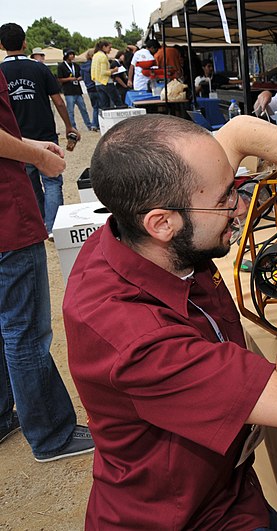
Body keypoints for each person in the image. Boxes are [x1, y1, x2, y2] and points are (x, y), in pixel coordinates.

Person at [63, 113, 277, 528]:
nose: (241, 208)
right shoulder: (134, 338)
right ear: (162, 224)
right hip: (188, 517)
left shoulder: (144, 225)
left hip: (229, 485)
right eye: (227, 198)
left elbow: (240, 130)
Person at [0, 66, 95, 462]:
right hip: (6, 217)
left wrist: (31, 143)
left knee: (7, 326)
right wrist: (37, 155)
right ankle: (52, 433)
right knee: (24, 331)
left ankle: (5, 413)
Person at [0, 22, 80, 235]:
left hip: (17, 139)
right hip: (44, 134)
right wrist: (69, 126)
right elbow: (59, 101)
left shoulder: (1, 71)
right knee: (52, 181)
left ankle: (44, 222)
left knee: (30, 183)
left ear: (1, 45)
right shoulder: (39, 68)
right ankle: (54, 227)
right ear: (25, 43)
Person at [57, 49, 92, 131]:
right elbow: (59, 79)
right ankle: (73, 127)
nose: (72, 56)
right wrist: (69, 79)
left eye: (73, 54)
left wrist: (79, 78)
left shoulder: (76, 66)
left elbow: (80, 75)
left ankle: (89, 125)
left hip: (77, 90)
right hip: (68, 91)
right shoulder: (61, 66)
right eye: (70, 54)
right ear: (66, 55)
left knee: (83, 109)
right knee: (70, 111)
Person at [91, 40, 122, 110]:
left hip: (98, 82)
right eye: (109, 48)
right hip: (106, 82)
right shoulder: (103, 56)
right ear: (104, 47)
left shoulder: (95, 55)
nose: (110, 50)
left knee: (104, 105)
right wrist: (114, 70)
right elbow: (104, 72)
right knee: (118, 102)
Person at [80, 49, 100, 131]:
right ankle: (96, 123)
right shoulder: (94, 65)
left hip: (89, 88)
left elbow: (82, 77)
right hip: (96, 86)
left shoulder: (83, 66)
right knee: (100, 106)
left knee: (95, 107)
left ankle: (94, 124)